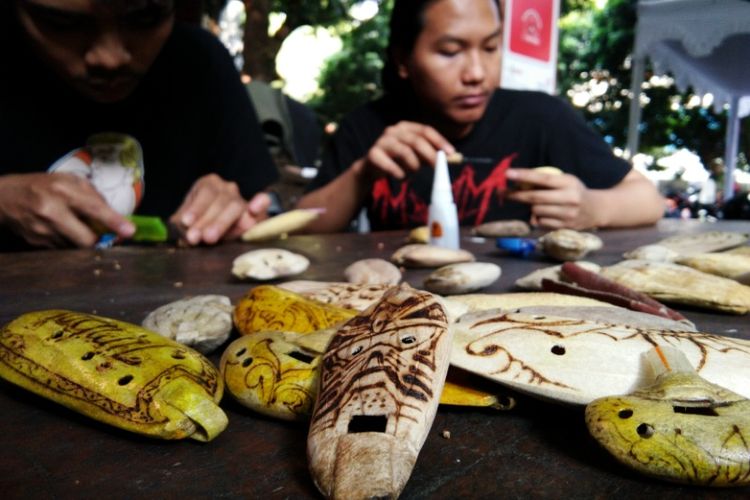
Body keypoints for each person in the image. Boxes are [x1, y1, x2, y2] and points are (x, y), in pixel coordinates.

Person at [297, 0, 665, 233]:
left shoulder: (540, 116)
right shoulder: (368, 127)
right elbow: (300, 226)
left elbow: (648, 199)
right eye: (450, 51)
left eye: (490, 47)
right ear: (402, 60)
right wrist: (363, 173)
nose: (477, 72)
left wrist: (593, 207)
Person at [0, 0, 278, 251]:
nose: (110, 58)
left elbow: (260, 213)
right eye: (62, 24)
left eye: (145, 17)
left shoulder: (202, 63)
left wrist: (236, 214)